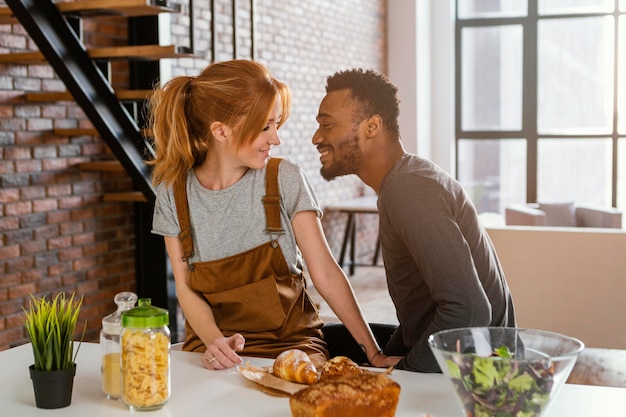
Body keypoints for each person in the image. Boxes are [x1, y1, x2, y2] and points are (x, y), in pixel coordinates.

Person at [148, 59, 396, 371]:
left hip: (292, 346)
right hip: (211, 346)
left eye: (276, 123)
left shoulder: (283, 178)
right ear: (221, 131)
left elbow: (327, 273)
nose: (275, 139)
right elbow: (185, 288)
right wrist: (215, 341)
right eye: (265, 126)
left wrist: (374, 354)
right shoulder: (174, 193)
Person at [312, 68, 516, 372]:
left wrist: (405, 369)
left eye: (327, 126)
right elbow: (421, 325)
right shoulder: (407, 179)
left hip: (481, 377)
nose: (317, 137)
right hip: (466, 356)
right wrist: (379, 359)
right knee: (325, 340)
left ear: (372, 127)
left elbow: (470, 311)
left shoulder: (409, 189)